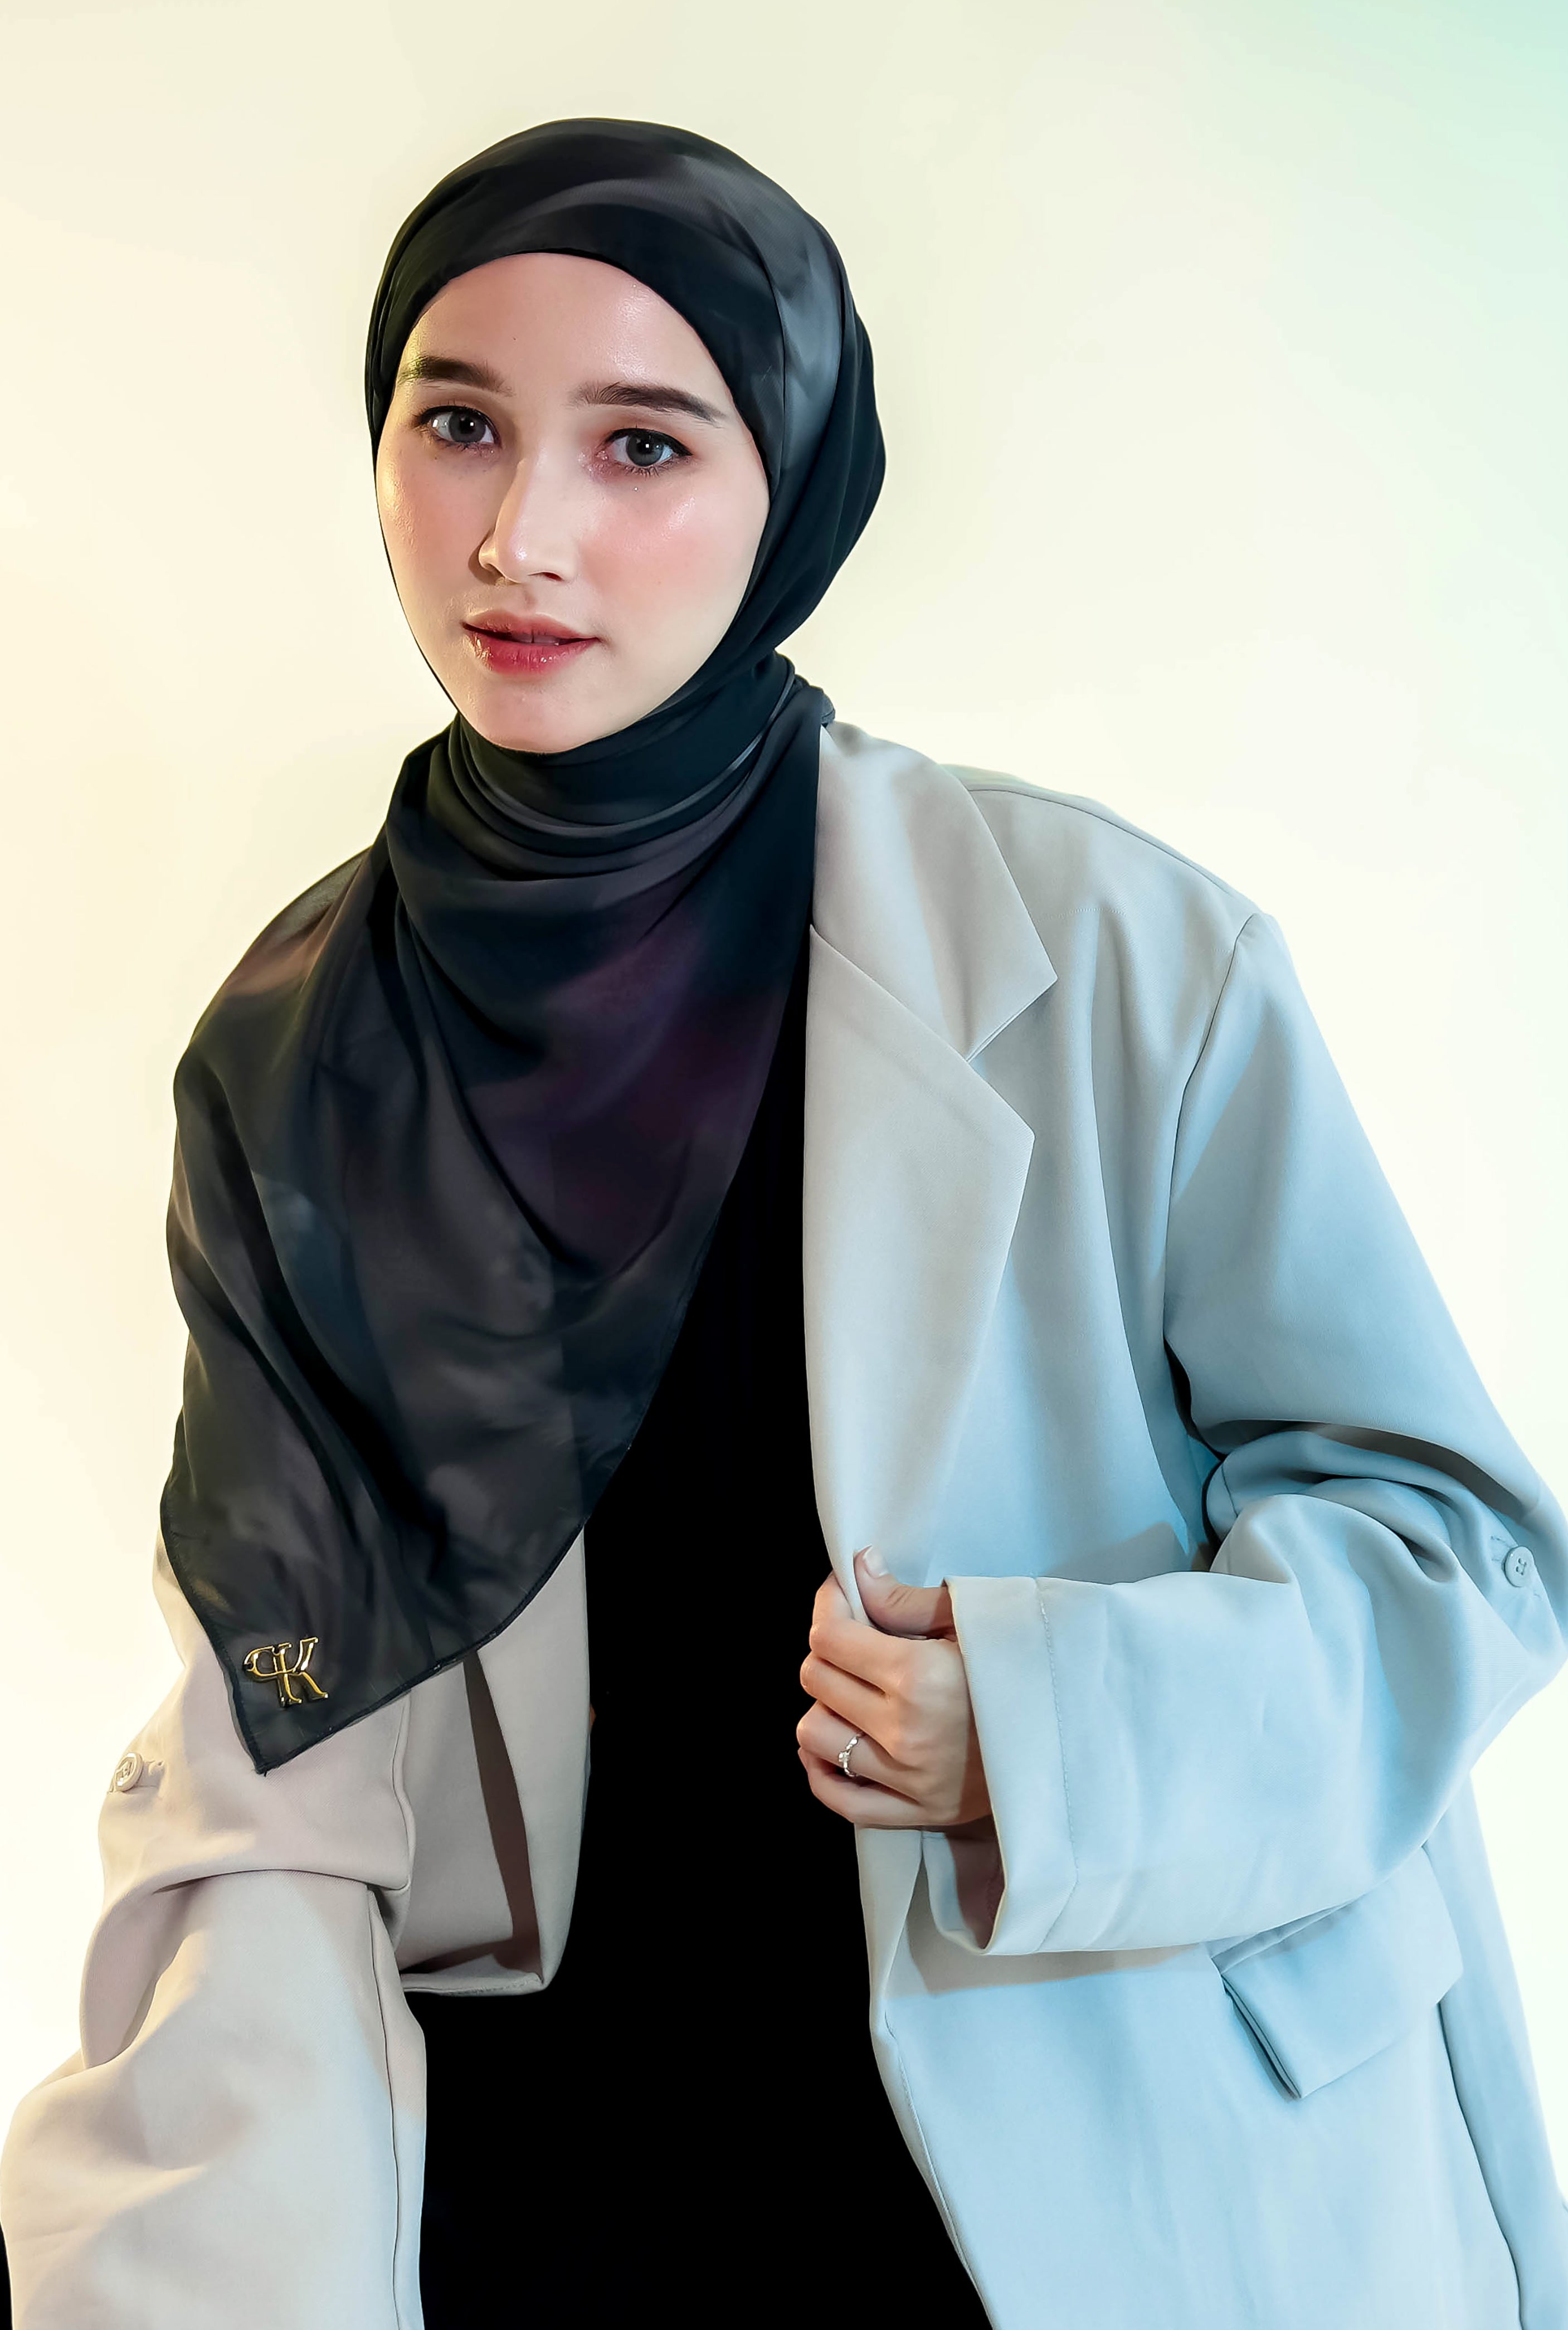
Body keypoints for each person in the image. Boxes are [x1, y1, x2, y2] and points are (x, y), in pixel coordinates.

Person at [1, 117, 1564, 2330]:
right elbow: (281, 1732)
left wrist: (1038, 1734)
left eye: (640, 444)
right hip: (562, 2200)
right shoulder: (306, 1058)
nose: (521, 537)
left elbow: (1452, 1546)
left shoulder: (1113, 957)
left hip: (1084, 2162)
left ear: (790, 489)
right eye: (458, 424)